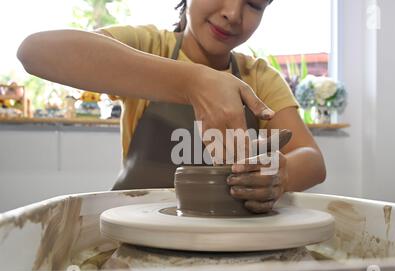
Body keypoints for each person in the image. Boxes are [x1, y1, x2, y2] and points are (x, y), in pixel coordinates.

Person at [17, 0, 326, 214]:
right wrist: (191, 82)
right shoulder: (151, 47)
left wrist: (281, 176)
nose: (233, 13)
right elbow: (35, 52)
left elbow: (312, 160)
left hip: (224, 243)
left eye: (254, 4)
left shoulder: (258, 77)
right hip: (136, 229)